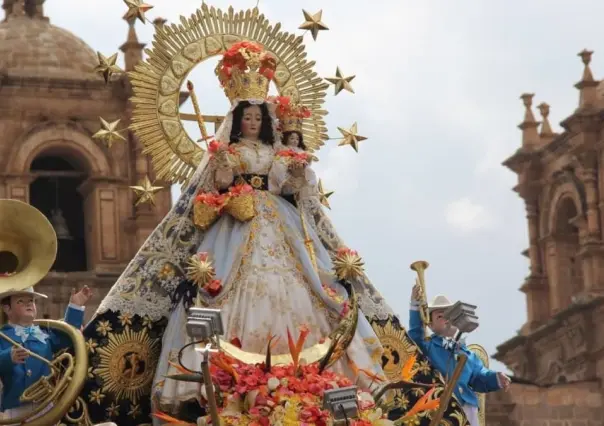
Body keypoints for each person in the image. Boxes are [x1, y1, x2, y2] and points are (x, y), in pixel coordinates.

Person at [408, 284, 511, 426]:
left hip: (467, 408)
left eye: (450, 315)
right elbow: (415, 335)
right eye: (440, 316)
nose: (447, 319)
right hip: (439, 407)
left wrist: (496, 378)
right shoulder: (429, 346)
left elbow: (479, 376)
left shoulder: (468, 354)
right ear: (430, 325)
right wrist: (415, 305)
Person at [0, 285, 93, 421]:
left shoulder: (44, 333)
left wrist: (75, 306)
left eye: (31, 301)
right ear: (7, 309)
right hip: (15, 409)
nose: (28, 305)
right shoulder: (2, 336)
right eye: (21, 301)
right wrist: (8, 357)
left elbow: (68, 337)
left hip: (46, 406)